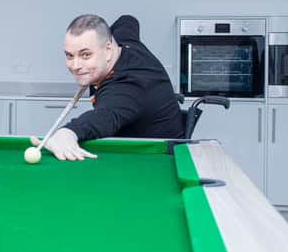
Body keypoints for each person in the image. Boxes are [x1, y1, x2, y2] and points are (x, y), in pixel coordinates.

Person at [31, 14, 185, 161]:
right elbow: (128, 20)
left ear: (108, 50)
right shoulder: (125, 40)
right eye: (70, 56)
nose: (76, 66)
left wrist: (67, 133)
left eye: (85, 55)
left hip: (157, 160)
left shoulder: (127, 87)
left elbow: (105, 115)